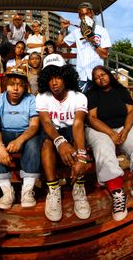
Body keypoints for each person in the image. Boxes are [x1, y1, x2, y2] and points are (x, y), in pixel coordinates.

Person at [85, 65, 133, 221]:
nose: (100, 78)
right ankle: (117, 192)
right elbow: (92, 118)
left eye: (102, 74)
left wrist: (125, 130)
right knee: (103, 149)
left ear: (109, 75)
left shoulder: (120, 90)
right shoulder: (92, 94)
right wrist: (111, 133)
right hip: (101, 129)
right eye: (96, 77)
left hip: (123, 126)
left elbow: (131, 111)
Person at [36, 56, 91, 222]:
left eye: (58, 77)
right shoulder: (42, 96)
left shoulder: (79, 96)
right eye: (50, 78)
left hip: (72, 129)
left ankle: (79, 187)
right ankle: (53, 190)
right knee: (46, 143)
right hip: (52, 131)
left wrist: (81, 156)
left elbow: (78, 124)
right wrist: (60, 142)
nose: (54, 83)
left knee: (77, 139)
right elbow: (46, 122)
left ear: (66, 76)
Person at [0, 67, 41, 209]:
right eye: (12, 84)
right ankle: (7, 191)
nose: (15, 89)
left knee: (34, 143)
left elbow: (34, 126)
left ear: (25, 86)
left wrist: (19, 140)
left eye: (20, 85)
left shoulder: (31, 99)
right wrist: (0, 147)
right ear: (6, 85)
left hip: (24, 133)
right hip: (4, 133)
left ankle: (27, 190)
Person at [57, 2, 111, 93]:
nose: (84, 16)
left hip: (97, 75)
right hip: (81, 75)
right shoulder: (76, 31)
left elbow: (105, 55)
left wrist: (92, 41)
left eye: (87, 13)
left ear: (92, 13)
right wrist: (63, 29)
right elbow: (60, 43)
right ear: (79, 16)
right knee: (81, 103)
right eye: (82, 14)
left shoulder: (102, 30)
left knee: (98, 103)